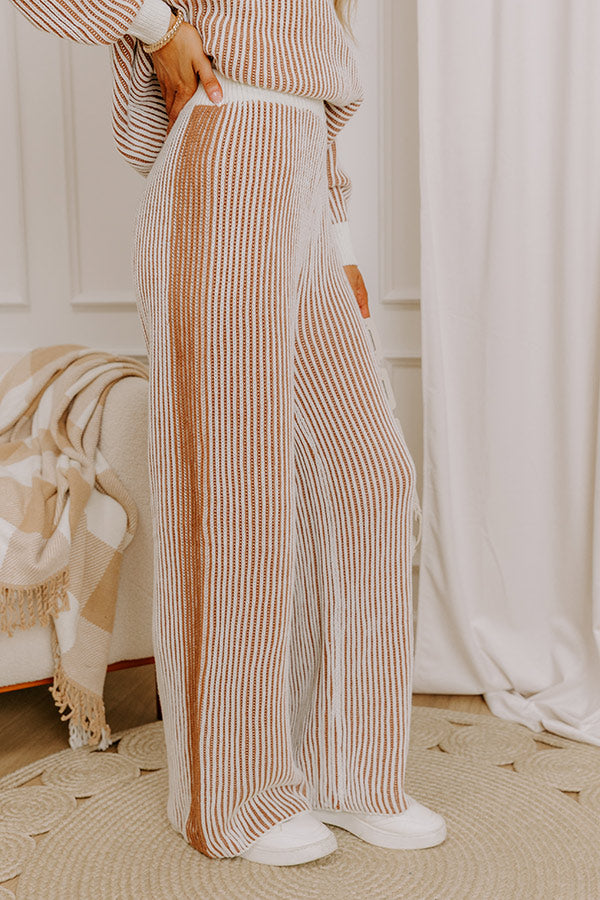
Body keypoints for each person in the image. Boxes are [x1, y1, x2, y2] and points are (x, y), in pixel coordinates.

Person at [10, 0, 447, 867]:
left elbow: (318, 105)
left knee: (370, 474)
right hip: (221, 165)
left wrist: (340, 243)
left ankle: (349, 770)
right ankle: (231, 795)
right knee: (236, 487)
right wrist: (156, 26)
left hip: (304, 200)